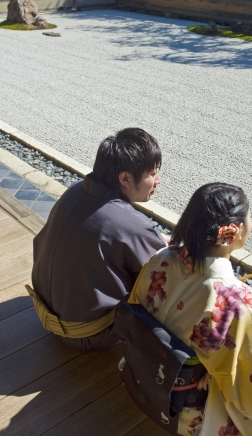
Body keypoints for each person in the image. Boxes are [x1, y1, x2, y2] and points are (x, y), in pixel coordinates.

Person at [128, 182, 252, 436]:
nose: (251, 223)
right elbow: (250, 380)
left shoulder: (161, 259)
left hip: (145, 377)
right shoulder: (233, 301)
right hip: (187, 413)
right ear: (232, 232)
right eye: (249, 217)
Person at [28, 128, 167, 351]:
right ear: (125, 178)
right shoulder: (129, 223)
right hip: (88, 334)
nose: (157, 180)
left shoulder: (75, 190)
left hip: (44, 311)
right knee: (166, 284)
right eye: (152, 174)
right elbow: (162, 271)